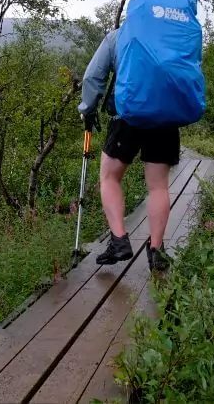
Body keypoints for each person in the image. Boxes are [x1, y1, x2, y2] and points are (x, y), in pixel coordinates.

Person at [77, 28, 180, 274]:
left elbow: (94, 76)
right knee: (158, 187)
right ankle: (156, 251)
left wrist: (87, 108)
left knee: (110, 177)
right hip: (164, 118)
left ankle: (119, 240)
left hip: (126, 116)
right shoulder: (173, 35)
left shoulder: (118, 36)